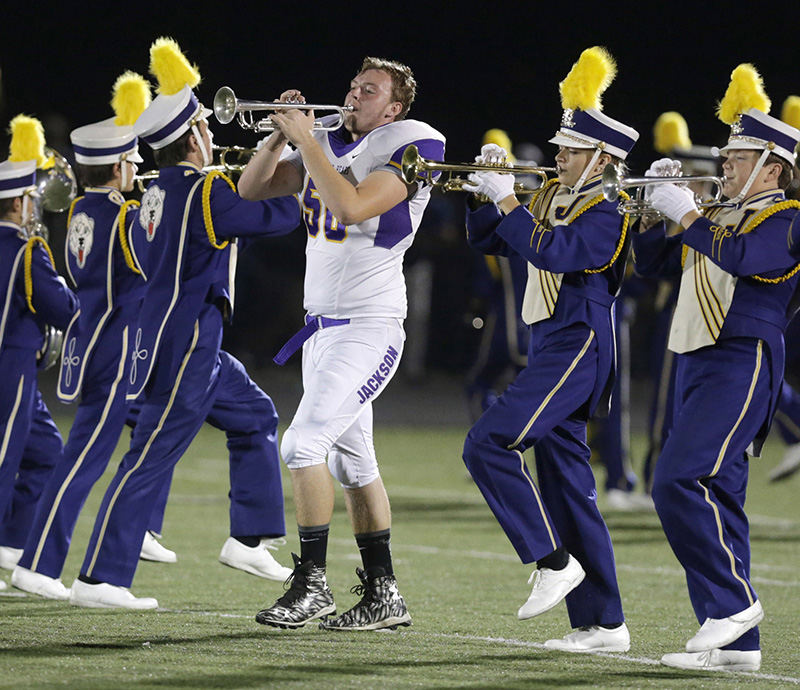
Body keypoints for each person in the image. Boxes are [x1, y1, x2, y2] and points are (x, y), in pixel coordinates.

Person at [66, 37, 300, 610]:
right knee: (150, 456)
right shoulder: (203, 193)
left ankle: (249, 537)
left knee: (256, 417)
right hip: (189, 339)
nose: (213, 134)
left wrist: (275, 140)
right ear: (193, 135)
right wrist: (315, 163)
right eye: (205, 126)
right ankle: (100, 578)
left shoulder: (157, 191)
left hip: (181, 337)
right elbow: (276, 216)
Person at [238, 56, 445, 630]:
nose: (354, 96)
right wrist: (281, 137)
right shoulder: (328, 146)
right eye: (353, 86)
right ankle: (384, 596)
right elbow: (251, 188)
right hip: (322, 330)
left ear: (395, 108)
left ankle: (311, 584)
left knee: (302, 445)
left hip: (369, 327)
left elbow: (352, 205)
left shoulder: (412, 149)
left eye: (369, 90)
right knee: (355, 465)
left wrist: (309, 146)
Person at [459, 47, 636, 652]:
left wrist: (509, 199)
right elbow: (489, 238)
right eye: (560, 147)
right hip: (550, 343)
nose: (558, 155)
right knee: (566, 487)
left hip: (581, 344)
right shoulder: (552, 197)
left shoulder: (608, 213)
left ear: (603, 160)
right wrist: (484, 191)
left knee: (487, 441)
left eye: (571, 150)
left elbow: (555, 253)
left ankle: (551, 561)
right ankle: (603, 624)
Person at [634, 64, 800, 672]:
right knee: (721, 496)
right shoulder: (718, 212)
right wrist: (655, 211)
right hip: (694, 358)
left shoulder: (787, 216)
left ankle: (734, 605)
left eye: (736, 156)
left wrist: (687, 214)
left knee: (676, 480)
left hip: (743, 359)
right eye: (725, 154)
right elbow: (650, 266)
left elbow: (748, 260)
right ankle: (737, 648)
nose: (722, 164)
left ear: (772, 167)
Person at [10, 72, 174, 600]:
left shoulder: (82, 209)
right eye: (133, 162)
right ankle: (40, 563)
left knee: (88, 450)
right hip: (116, 342)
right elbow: (151, 265)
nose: (138, 169)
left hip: (89, 339)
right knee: (84, 458)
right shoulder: (126, 215)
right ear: (121, 165)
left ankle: (129, 535)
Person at [0, 116, 79, 587]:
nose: (35, 208)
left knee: (46, 451)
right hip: (9, 367)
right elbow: (62, 307)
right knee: (4, 459)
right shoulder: (25, 250)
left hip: (18, 371)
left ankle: (11, 545)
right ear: (17, 201)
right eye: (30, 199)